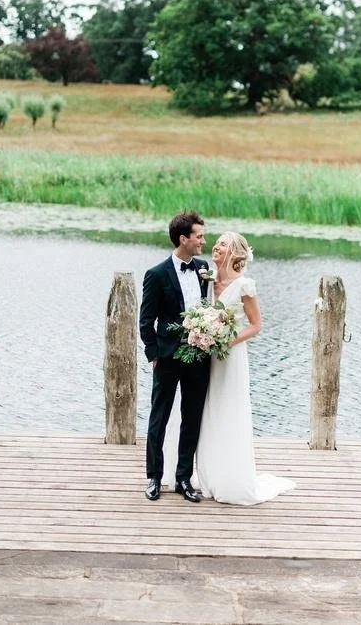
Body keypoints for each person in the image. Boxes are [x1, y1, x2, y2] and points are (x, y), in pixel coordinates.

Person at [194, 231, 296, 505]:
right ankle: (208, 475)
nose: (215, 245)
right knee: (208, 411)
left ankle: (232, 478)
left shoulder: (244, 286)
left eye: (223, 244)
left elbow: (255, 325)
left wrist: (226, 340)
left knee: (228, 409)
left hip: (231, 356)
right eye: (216, 242)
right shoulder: (207, 278)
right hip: (208, 356)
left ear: (235, 253)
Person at [140, 210, 210, 503]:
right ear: (184, 239)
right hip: (168, 358)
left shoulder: (205, 269)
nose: (204, 241)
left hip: (199, 357)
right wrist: (154, 354)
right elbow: (146, 321)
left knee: (191, 418)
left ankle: (183, 478)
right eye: (199, 236)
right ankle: (154, 478)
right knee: (160, 416)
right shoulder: (156, 275)